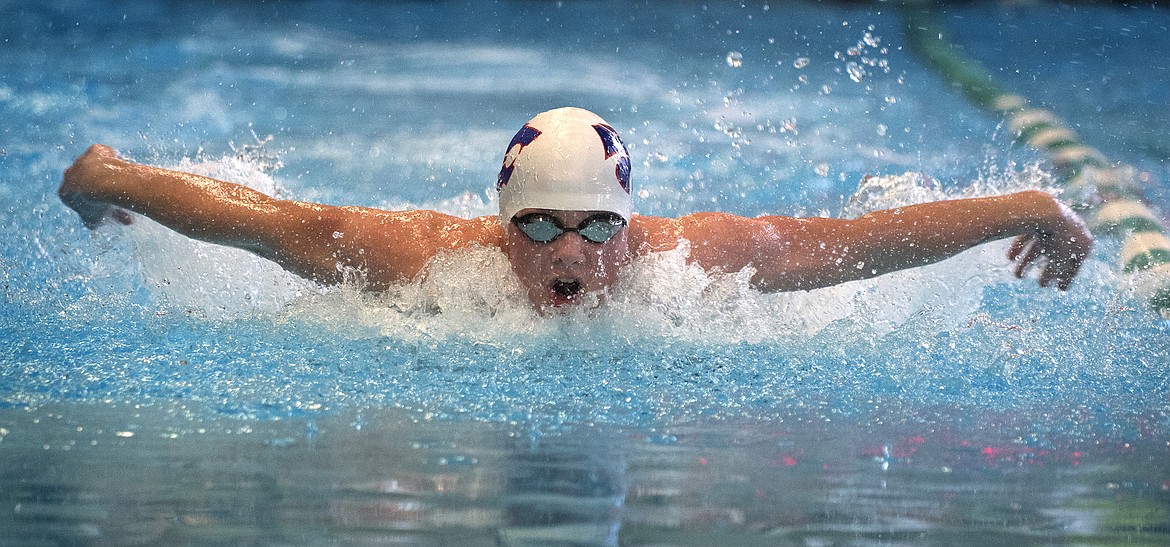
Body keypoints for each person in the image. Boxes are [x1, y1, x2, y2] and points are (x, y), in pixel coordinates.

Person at [59, 107, 1093, 313]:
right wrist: (108, 175)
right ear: (499, 224)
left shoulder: (687, 261)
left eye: (597, 227)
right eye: (539, 226)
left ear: (630, 227)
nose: (569, 253)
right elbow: (261, 219)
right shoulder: (423, 261)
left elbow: (857, 244)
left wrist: (1029, 203)